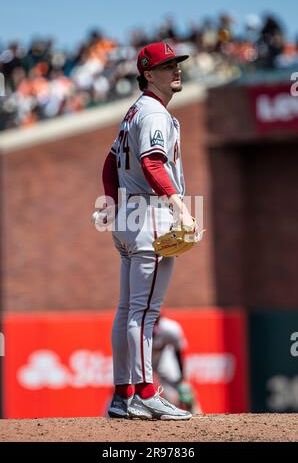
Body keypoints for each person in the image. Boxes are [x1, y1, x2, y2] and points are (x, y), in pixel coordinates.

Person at [93, 42, 197, 420]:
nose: (176, 69)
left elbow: (109, 163)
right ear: (148, 74)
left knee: (127, 310)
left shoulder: (135, 111)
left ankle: (122, 396)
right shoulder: (153, 112)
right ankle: (146, 393)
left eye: (176, 63)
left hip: (129, 217)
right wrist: (181, 207)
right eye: (167, 65)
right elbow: (153, 163)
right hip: (149, 216)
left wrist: (110, 201)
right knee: (145, 311)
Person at [152, 313, 198, 413]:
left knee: (182, 391)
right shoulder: (134, 328)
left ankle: (195, 412)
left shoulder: (171, 328)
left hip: (162, 358)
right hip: (139, 359)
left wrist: (182, 377)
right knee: (123, 389)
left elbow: (178, 352)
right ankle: (113, 415)